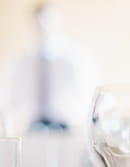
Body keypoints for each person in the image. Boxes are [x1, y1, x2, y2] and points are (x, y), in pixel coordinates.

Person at [5, 3, 98, 132]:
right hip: (33, 129)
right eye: (38, 23)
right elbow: (11, 98)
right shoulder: (23, 60)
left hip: (67, 128)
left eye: (47, 21)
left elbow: (92, 94)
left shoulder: (76, 57)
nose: (43, 26)